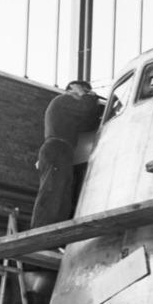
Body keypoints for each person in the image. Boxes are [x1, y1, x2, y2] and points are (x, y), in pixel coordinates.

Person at [31, 80, 103, 229]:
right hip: (57, 148)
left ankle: (55, 229)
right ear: (72, 89)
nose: (86, 96)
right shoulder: (62, 100)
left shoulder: (69, 112)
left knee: (63, 191)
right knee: (52, 188)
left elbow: (89, 123)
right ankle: (40, 229)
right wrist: (84, 94)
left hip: (64, 150)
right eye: (85, 92)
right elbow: (88, 109)